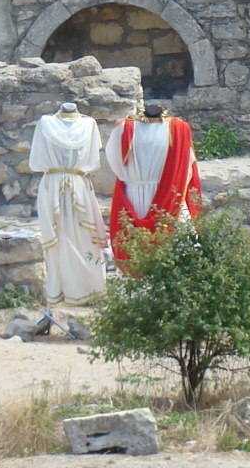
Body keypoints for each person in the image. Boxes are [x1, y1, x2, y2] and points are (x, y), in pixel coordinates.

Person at [29, 101, 105, 322]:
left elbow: (36, 160)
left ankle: (83, 289)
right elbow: (93, 161)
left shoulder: (87, 124)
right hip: (76, 182)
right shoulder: (51, 123)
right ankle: (74, 288)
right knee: (63, 238)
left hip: (53, 183)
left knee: (82, 238)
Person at [105, 101, 201, 265]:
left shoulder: (124, 129)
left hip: (135, 195)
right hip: (170, 196)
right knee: (180, 245)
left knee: (137, 249)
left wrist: (133, 178)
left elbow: (115, 163)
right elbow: (187, 167)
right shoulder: (179, 129)